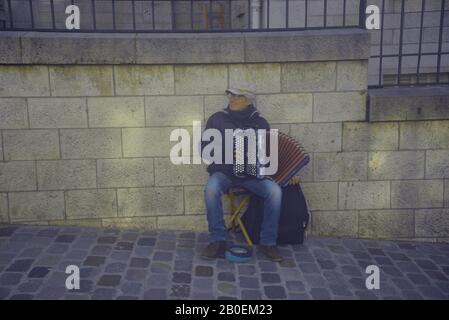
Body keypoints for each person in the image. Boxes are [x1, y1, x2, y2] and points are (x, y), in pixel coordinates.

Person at [200, 85, 299, 262]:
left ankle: (268, 242)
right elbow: (205, 150)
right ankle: (218, 240)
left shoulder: (260, 123)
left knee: (274, 191)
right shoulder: (217, 119)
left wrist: (289, 173)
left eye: (237, 96)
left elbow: (269, 154)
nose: (231, 99)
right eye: (230, 94)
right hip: (224, 173)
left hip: (251, 176)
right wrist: (225, 154)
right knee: (211, 189)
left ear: (248, 101)